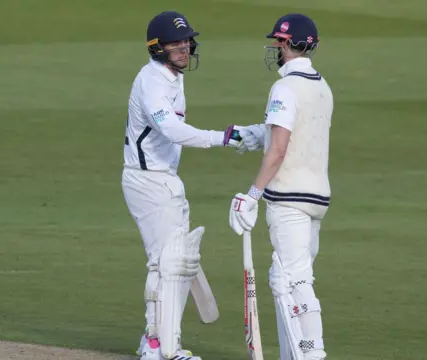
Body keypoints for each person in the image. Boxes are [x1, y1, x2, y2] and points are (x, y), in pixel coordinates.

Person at [122, 10, 246, 360]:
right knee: (166, 264)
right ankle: (159, 346)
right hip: (148, 181)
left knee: (173, 263)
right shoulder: (153, 81)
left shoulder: (171, 76)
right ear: (157, 47)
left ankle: (156, 342)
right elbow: (170, 130)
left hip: (164, 179)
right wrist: (220, 138)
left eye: (186, 41)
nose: (184, 48)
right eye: (175, 43)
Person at [229, 13, 333, 360]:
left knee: (292, 282)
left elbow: (278, 149)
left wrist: (252, 195)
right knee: (292, 278)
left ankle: (312, 355)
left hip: (287, 197)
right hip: (317, 197)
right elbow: (290, 132)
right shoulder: (321, 86)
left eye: (279, 41)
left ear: (288, 44)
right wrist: (252, 133)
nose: (276, 47)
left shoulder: (285, 87)